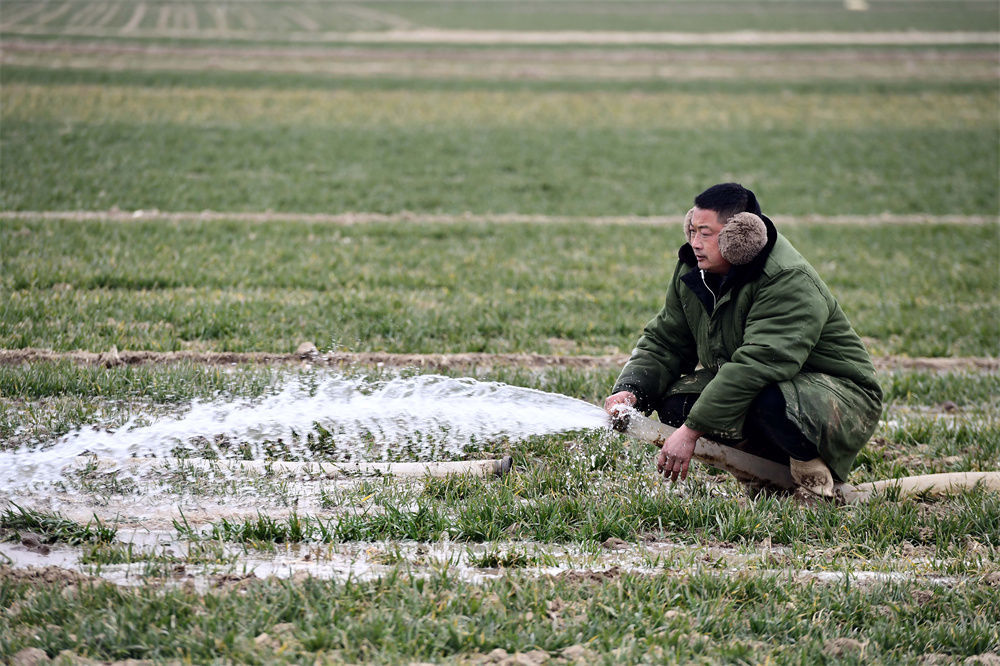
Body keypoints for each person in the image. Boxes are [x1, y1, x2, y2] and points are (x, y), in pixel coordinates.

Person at [604, 183, 882, 499]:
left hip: (840, 398)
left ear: (740, 237)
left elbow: (759, 364)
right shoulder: (694, 272)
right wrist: (631, 390)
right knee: (678, 403)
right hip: (773, 385)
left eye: (705, 234)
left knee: (771, 402)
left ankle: (812, 475)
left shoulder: (788, 278)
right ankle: (764, 475)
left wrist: (691, 431)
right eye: (692, 230)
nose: (694, 243)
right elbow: (665, 341)